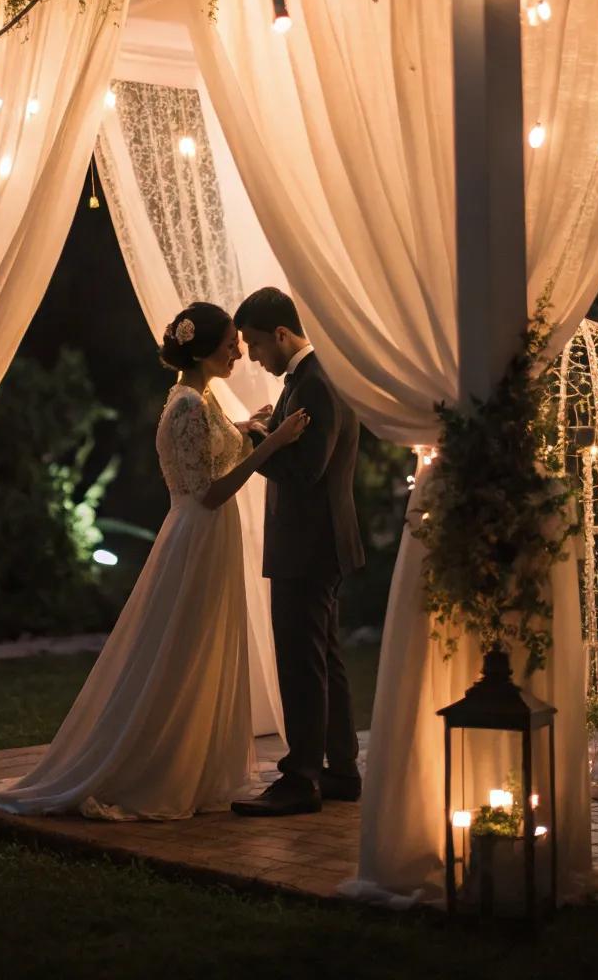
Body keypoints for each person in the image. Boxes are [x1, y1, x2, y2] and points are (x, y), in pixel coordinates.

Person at [0, 301, 308, 821]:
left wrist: (246, 430)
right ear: (203, 350)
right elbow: (210, 492)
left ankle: (187, 762)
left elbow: (213, 453)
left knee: (199, 648)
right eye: (229, 346)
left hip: (210, 539)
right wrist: (274, 444)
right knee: (181, 648)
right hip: (197, 538)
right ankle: (155, 765)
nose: (239, 353)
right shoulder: (188, 406)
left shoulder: (197, 398)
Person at [231, 287, 364, 817]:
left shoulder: (316, 383)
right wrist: (270, 430)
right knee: (324, 658)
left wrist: (254, 441)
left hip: (309, 543)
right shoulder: (313, 378)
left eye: (256, 344)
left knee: (301, 662)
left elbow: (305, 470)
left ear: (282, 334)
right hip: (319, 541)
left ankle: (301, 778)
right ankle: (341, 771)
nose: (254, 356)